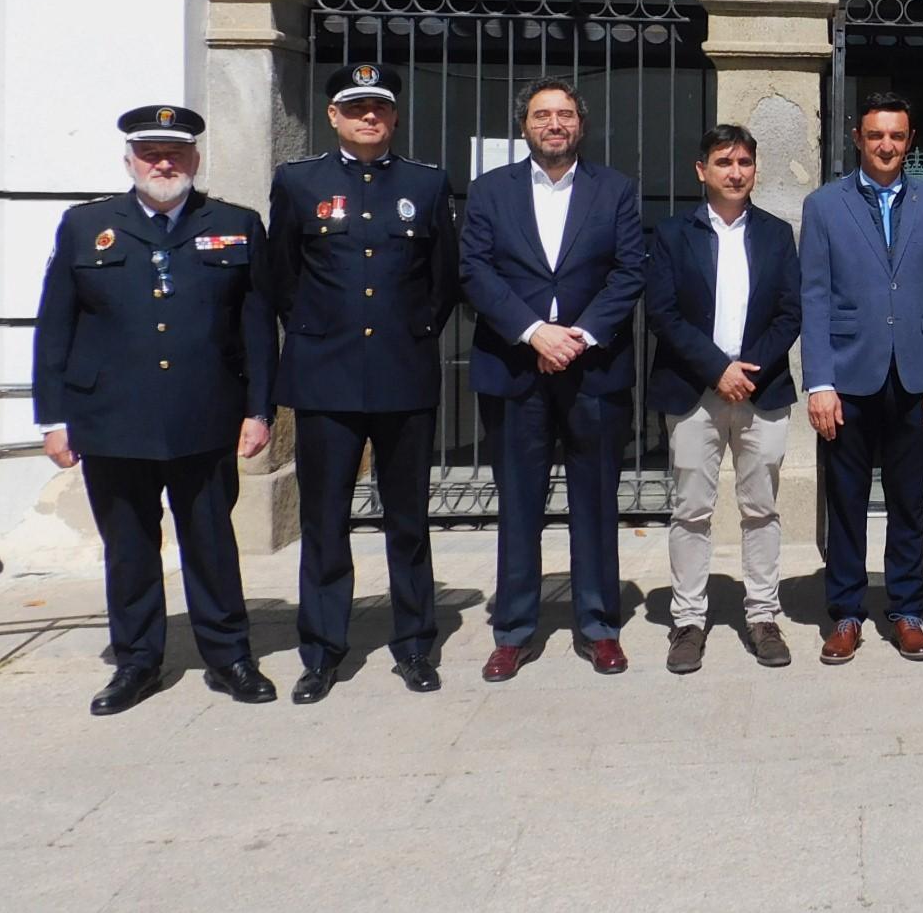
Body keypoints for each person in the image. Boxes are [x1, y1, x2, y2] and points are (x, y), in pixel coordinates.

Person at [32, 105, 279, 714]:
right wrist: (52, 416)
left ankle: (229, 658)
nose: (163, 163)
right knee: (129, 546)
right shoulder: (86, 225)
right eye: (149, 153)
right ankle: (137, 662)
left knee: (211, 542)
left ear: (195, 159)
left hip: (204, 414)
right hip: (111, 417)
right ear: (129, 161)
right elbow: (55, 323)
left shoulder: (237, 224)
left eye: (175, 152)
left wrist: (260, 409)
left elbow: (256, 326)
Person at [266, 63, 459, 703]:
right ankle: (321, 652)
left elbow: (442, 282)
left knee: (407, 521)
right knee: (324, 522)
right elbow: (283, 278)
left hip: (404, 376)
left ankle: (414, 645)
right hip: (326, 381)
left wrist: (411, 332)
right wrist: (324, 332)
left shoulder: (426, 185)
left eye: (379, 107)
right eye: (356, 107)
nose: (368, 116)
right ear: (333, 116)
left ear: (395, 115)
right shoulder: (299, 182)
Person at [460, 79, 645, 681]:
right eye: (543, 115)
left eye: (565, 114)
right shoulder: (490, 192)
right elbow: (475, 271)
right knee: (519, 504)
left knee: (595, 502)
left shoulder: (614, 190)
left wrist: (579, 336)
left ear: (581, 126)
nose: (555, 124)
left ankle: (599, 626)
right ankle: (513, 629)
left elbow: (627, 272)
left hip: (593, 369)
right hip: (516, 366)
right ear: (525, 127)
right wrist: (535, 332)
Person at [800, 92, 923, 665]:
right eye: (875, 135)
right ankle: (845, 614)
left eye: (897, 135)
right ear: (857, 139)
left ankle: (907, 610)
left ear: (909, 142)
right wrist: (818, 383)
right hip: (847, 376)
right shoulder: (824, 206)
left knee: (910, 502)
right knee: (846, 502)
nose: (886, 144)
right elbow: (813, 295)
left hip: (914, 377)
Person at [644, 124, 802, 675]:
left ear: (755, 169)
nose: (735, 172)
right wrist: (718, 369)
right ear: (701, 170)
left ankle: (763, 614)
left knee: (761, 509)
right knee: (692, 509)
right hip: (694, 391)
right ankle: (688, 620)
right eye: (723, 162)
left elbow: (790, 311)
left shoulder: (778, 234)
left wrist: (747, 372)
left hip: (761, 392)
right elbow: (662, 313)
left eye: (743, 162)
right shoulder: (670, 235)